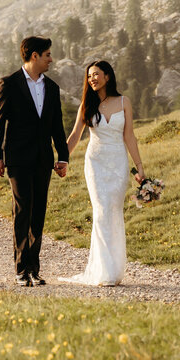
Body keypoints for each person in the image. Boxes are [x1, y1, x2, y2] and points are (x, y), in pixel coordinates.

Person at [0, 36, 70, 286]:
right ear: (34, 56)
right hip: (17, 158)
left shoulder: (52, 87)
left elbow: (57, 125)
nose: (50, 59)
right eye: (47, 54)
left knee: (38, 212)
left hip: (43, 159)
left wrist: (63, 156)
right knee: (22, 209)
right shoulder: (9, 83)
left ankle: (34, 269)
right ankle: (20, 269)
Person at [61, 60, 144, 286]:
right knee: (101, 210)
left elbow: (129, 136)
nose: (92, 79)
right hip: (95, 163)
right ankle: (103, 271)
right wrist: (61, 158)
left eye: (96, 74)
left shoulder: (124, 102)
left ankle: (115, 271)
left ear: (107, 76)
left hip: (118, 163)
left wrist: (139, 168)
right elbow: (75, 135)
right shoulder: (86, 105)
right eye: (89, 76)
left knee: (114, 211)